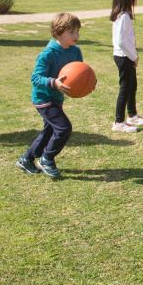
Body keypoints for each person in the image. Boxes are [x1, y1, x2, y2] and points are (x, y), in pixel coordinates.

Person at [16, 13, 84, 179]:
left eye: (77, 31)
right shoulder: (48, 53)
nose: (76, 36)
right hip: (43, 98)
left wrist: (89, 83)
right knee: (63, 128)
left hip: (57, 98)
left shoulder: (75, 51)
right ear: (59, 32)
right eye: (72, 32)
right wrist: (54, 83)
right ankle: (47, 158)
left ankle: (26, 159)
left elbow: (81, 72)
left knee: (49, 131)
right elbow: (35, 78)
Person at [111, 0, 143, 133]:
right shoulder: (123, 16)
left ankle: (132, 115)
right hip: (124, 57)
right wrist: (133, 56)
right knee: (125, 88)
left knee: (132, 85)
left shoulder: (123, 15)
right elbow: (121, 41)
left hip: (126, 56)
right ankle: (119, 121)